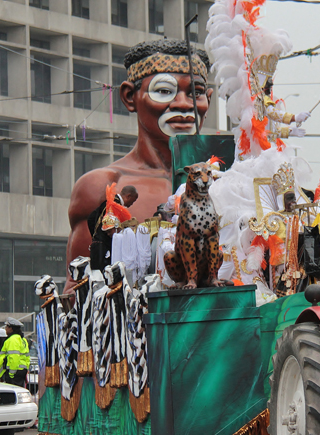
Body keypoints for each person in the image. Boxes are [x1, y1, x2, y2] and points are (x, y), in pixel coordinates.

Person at [65, 38, 215, 291]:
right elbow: (77, 287)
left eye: (195, 93)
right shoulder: (102, 185)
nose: (183, 103)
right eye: (164, 91)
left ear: (208, 100)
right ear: (129, 97)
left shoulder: (228, 181)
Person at [87, 185, 138, 270]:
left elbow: (91, 219)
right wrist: (101, 237)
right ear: (128, 196)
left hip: (98, 246)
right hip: (104, 248)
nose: (131, 204)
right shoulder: (114, 204)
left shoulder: (109, 202)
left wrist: (96, 237)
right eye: (133, 201)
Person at [0, 318, 29, 388]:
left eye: (6, 327)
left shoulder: (12, 339)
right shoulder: (22, 339)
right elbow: (27, 357)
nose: (5, 329)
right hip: (21, 371)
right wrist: (25, 368)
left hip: (14, 372)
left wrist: (11, 373)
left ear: (11, 328)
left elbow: (14, 357)